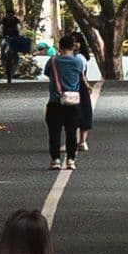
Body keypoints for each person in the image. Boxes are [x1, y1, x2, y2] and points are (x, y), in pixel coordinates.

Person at [43, 32, 87, 169]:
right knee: (71, 132)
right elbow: (81, 74)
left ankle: (55, 159)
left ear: (59, 46)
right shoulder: (78, 61)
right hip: (73, 102)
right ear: (73, 46)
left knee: (54, 132)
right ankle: (70, 160)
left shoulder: (53, 61)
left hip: (55, 101)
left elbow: (47, 74)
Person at [72, 31, 94, 152]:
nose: (74, 44)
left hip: (77, 88)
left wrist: (87, 85)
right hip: (77, 87)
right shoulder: (74, 56)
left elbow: (81, 74)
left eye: (76, 41)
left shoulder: (79, 57)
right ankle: (80, 141)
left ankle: (82, 141)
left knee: (81, 113)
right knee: (79, 113)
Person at [0, 10, 22, 84]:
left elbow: (19, 28)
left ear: (13, 15)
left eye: (11, 15)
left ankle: (16, 69)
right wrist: (0, 33)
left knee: (16, 53)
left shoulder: (16, 20)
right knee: (2, 48)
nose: (10, 17)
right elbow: (1, 28)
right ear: (6, 15)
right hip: (6, 38)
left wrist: (20, 34)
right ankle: (2, 64)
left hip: (14, 38)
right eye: (8, 15)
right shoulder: (4, 20)